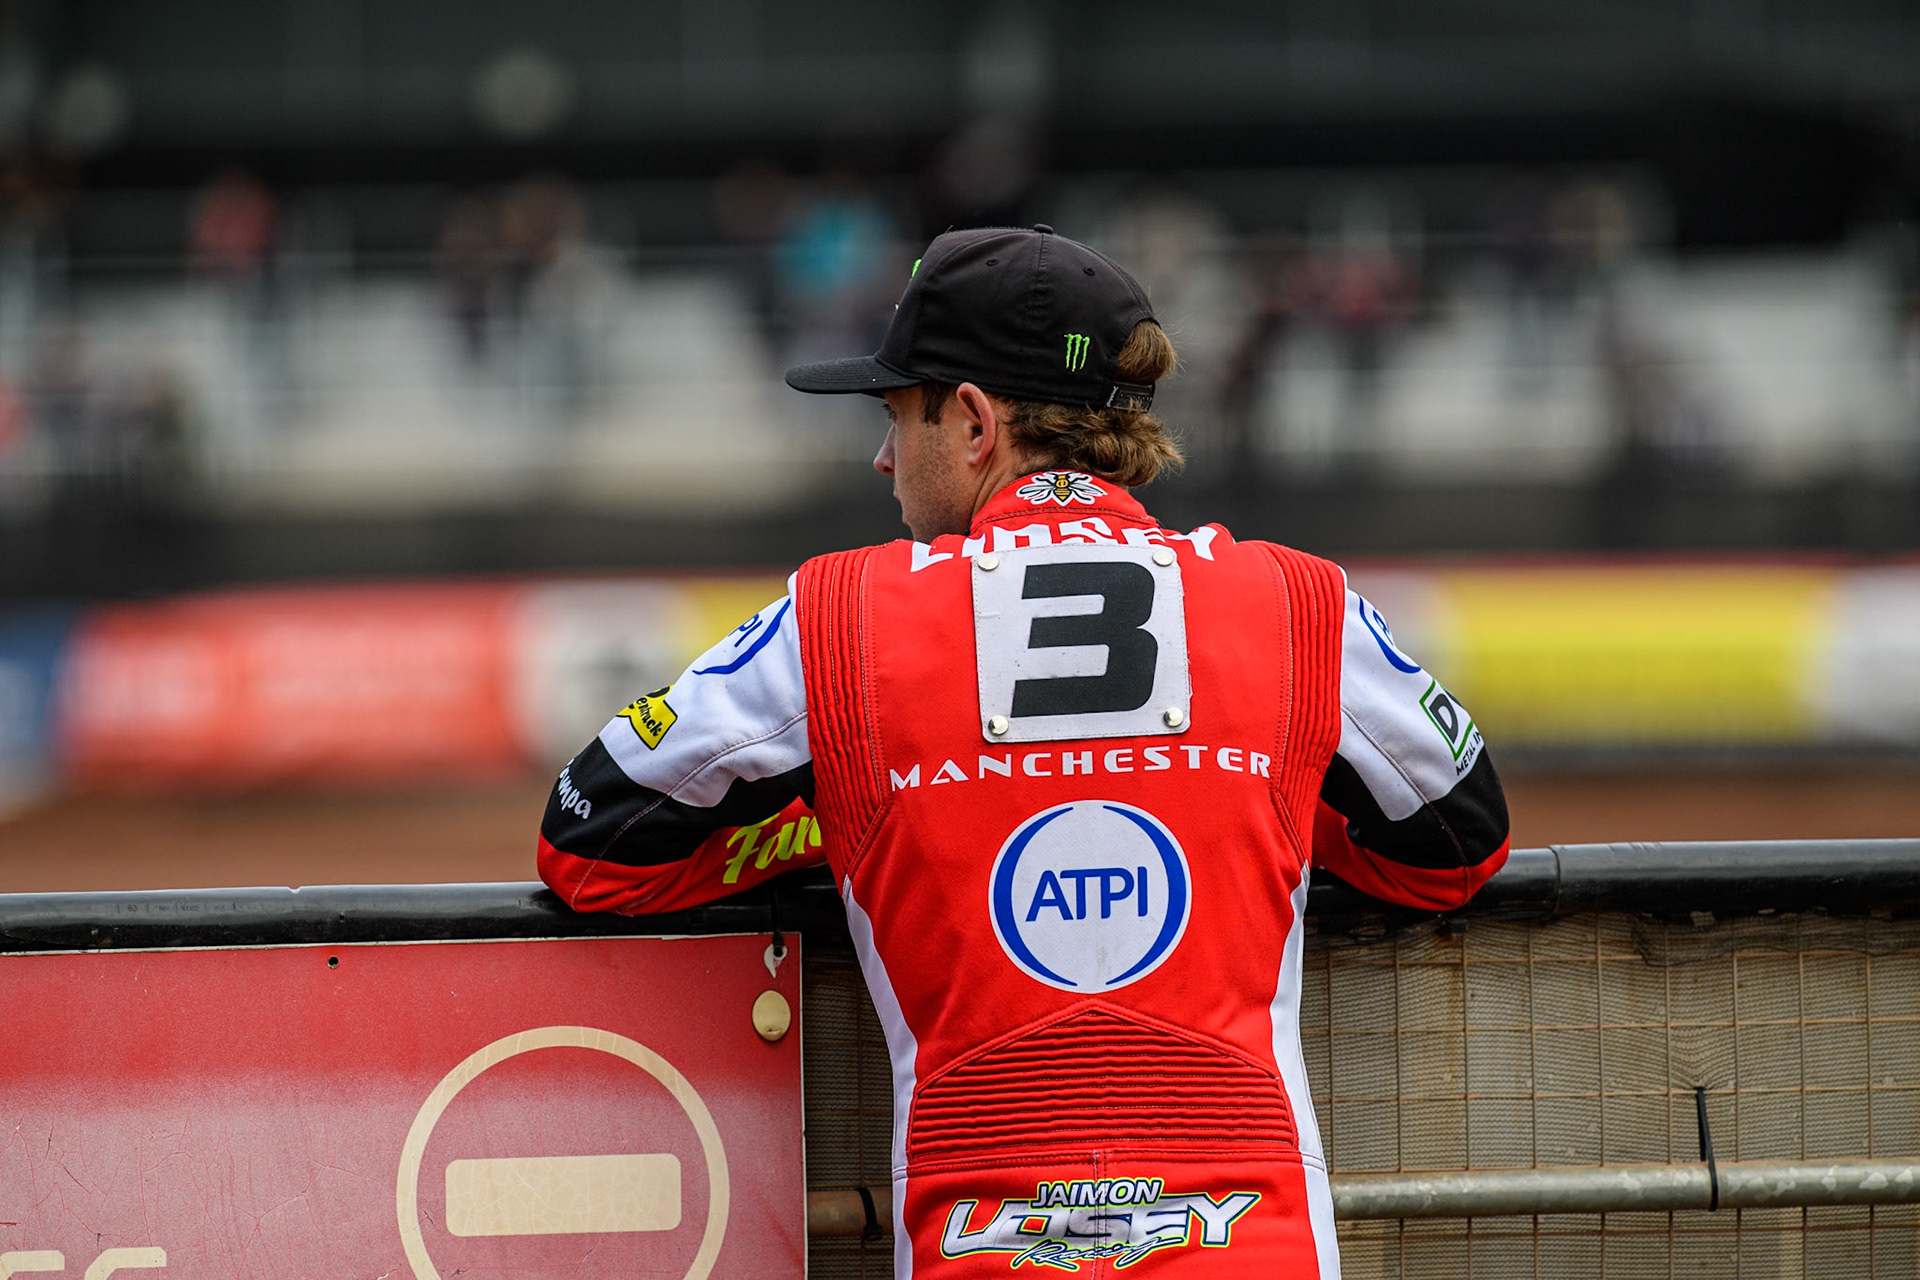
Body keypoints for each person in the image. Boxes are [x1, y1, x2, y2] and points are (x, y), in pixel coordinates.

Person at [537, 225, 1510, 1276]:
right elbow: (1459, 842)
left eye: (894, 414)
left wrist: (838, 824)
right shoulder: (1296, 597)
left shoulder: (841, 613)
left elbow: (587, 834)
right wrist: (1263, 808)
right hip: (1250, 1244)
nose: (880, 455)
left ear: (970, 421)